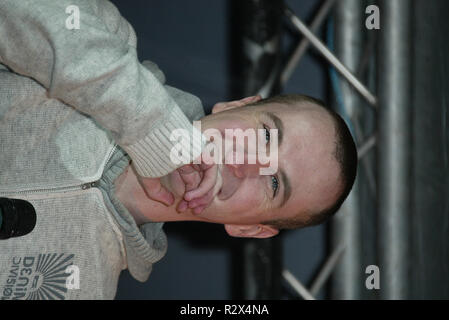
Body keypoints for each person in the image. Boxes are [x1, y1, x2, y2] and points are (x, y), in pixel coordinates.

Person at [0, 0, 357, 300]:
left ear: (249, 230)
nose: (248, 163)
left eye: (275, 184)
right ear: (234, 105)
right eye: (265, 135)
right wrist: (153, 132)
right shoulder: (104, 36)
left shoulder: (84, 290)